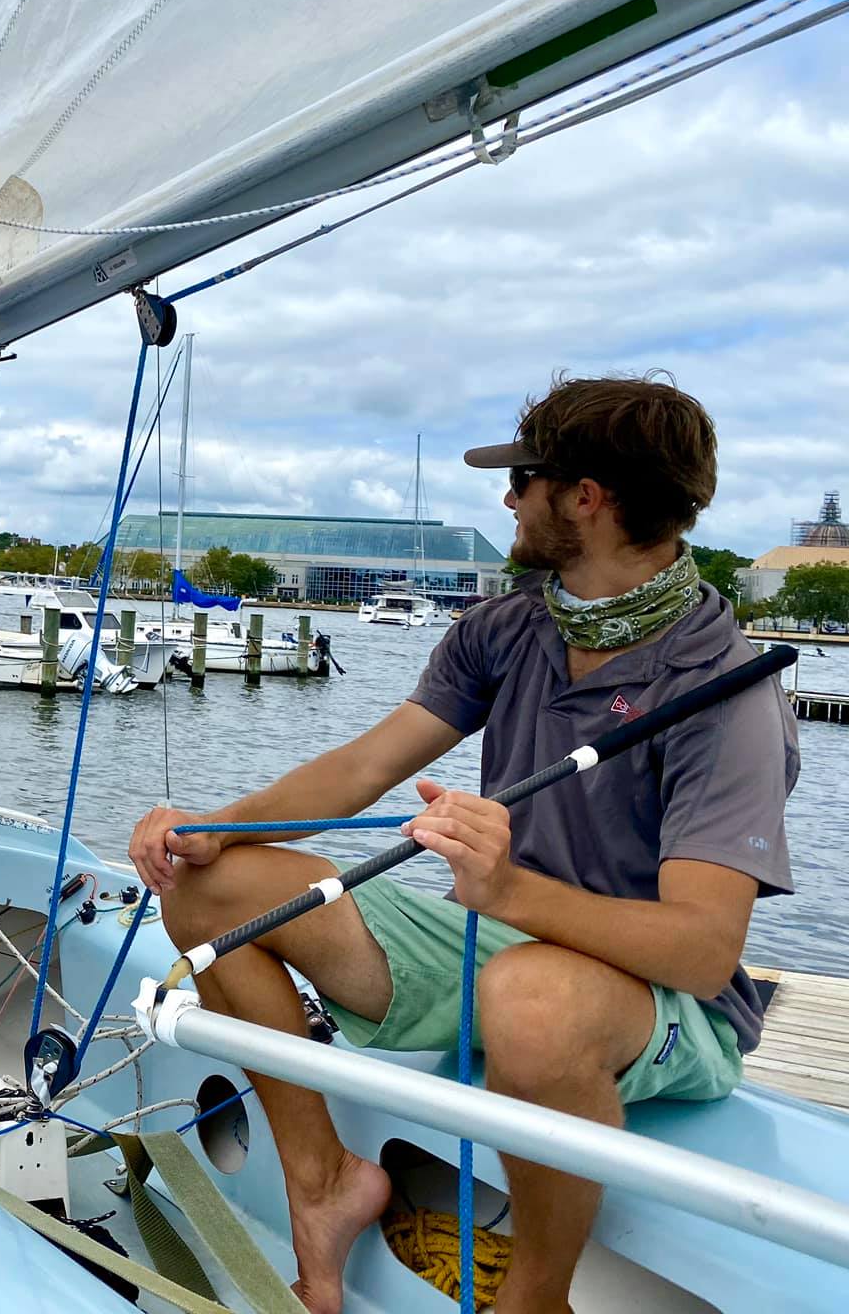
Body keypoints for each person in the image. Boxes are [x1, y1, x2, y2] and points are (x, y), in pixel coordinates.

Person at [128, 375, 796, 1314]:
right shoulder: (513, 626)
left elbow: (701, 950)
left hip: (659, 1000)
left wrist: (509, 890)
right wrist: (210, 829)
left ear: (585, 499)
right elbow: (364, 767)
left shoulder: (727, 689)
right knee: (212, 892)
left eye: (523, 481)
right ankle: (323, 1183)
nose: (508, 501)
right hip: (501, 946)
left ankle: (536, 1299)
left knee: (532, 1000)